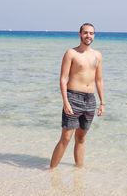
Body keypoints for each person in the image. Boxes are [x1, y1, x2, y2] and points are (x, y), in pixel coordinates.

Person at [50, 23, 105, 169]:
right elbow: (63, 79)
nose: (88, 36)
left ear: (94, 35)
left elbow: (99, 80)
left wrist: (102, 102)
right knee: (66, 138)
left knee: (81, 138)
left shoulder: (97, 55)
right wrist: (66, 102)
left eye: (91, 33)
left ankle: (79, 171)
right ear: (80, 34)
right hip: (73, 97)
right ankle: (51, 171)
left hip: (90, 100)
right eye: (86, 33)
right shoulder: (71, 53)